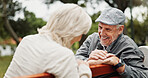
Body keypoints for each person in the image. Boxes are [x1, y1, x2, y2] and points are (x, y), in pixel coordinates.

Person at [4, 4, 92, 78]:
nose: (80, 38)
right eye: (81, 33)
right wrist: (84, 68)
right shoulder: (64, 55)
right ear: (73, 31)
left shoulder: (27, 40)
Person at [75, 8, 148, 78]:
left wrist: (119, 64)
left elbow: (143, 75)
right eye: (100, 27)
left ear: (120, 29)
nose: (102, 33)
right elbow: (75, 59)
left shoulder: (128, 47)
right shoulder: (92, 39)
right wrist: (88, 60)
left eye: (107, 29)